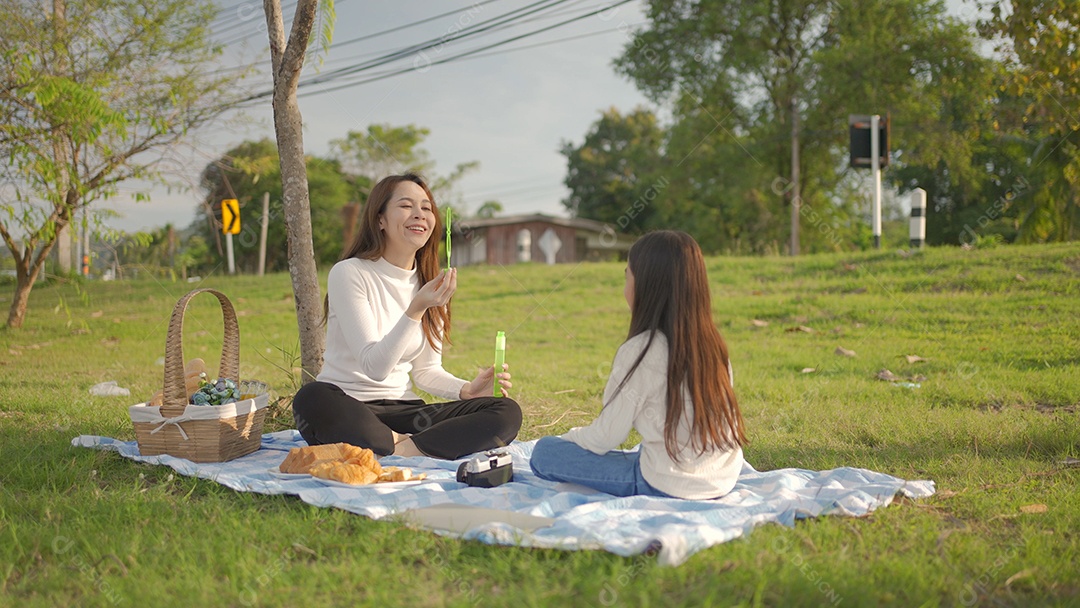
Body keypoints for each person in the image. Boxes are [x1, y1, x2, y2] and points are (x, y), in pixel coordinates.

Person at [291, 173, 521, 460]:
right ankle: (411, 445)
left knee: (506, 412)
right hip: (348, 404)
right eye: (406, 206)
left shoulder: (431, 286)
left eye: (426, 208)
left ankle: (398, 447)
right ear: (380, 220)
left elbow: (426, 372)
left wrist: (467, 390)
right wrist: (415, 309)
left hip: (405, 410)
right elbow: (374, 367)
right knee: (311, 398)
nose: (419, 215)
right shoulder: (350, 273)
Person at [530, 230, 747, 499]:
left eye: (627, 276)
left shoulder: (642, 350)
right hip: (722, 477)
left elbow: (606, 436)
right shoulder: (714, 345)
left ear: (645, 285)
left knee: (545, 452)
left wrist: (570, 436)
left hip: (665, 483)